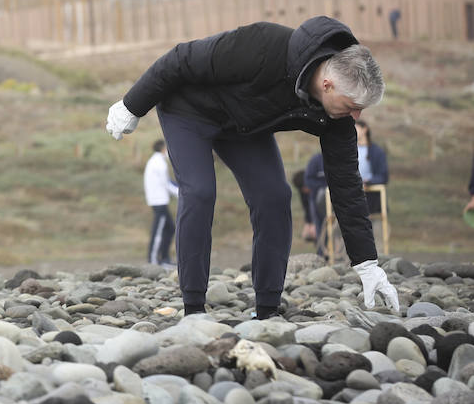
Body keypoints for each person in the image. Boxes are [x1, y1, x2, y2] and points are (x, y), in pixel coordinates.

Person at [105, 16, 400, 317]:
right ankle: (193, 307)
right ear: (328, 85)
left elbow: (346, 186)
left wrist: (367, 263)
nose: (356, 117)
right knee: (199, 192)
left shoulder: (338, 117)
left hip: (243, 126)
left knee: (274, 197)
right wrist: (132, 104)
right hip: (189, 110)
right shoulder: (263, 45)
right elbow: (181, 58)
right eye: (353, 107)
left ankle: (267, 308)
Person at [143, 139, 178, 267]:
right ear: (163, 148)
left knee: (170, 228)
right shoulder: (159, 163)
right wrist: (181, 193)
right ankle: (153, 260)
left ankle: (164, 258)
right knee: (158, 231)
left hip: (158, 200)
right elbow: (166, 183)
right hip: (159, 201)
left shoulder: (155, 161)